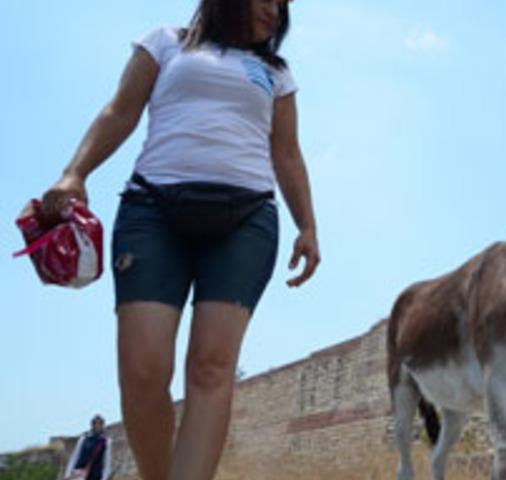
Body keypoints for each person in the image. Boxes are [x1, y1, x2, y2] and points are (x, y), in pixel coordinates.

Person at [41, 1, 320, 479]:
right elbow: (120, 110)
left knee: (212, 368)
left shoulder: (276, 72)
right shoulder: (165, 42)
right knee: (143, 371)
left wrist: (307, 226)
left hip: (246, 220)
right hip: (152, 211)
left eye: (282, 4)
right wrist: (74, 174)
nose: (275, 10)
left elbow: (287, 153)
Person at [64, 415, 112, 480]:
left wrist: (104, 478)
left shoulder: (106, 441)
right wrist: (67, 474)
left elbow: (106, 463)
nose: (97, 425)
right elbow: (75, 456)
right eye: (95, 423)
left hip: (95, 475)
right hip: (80, 473)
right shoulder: (83, 439)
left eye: (99, 423)